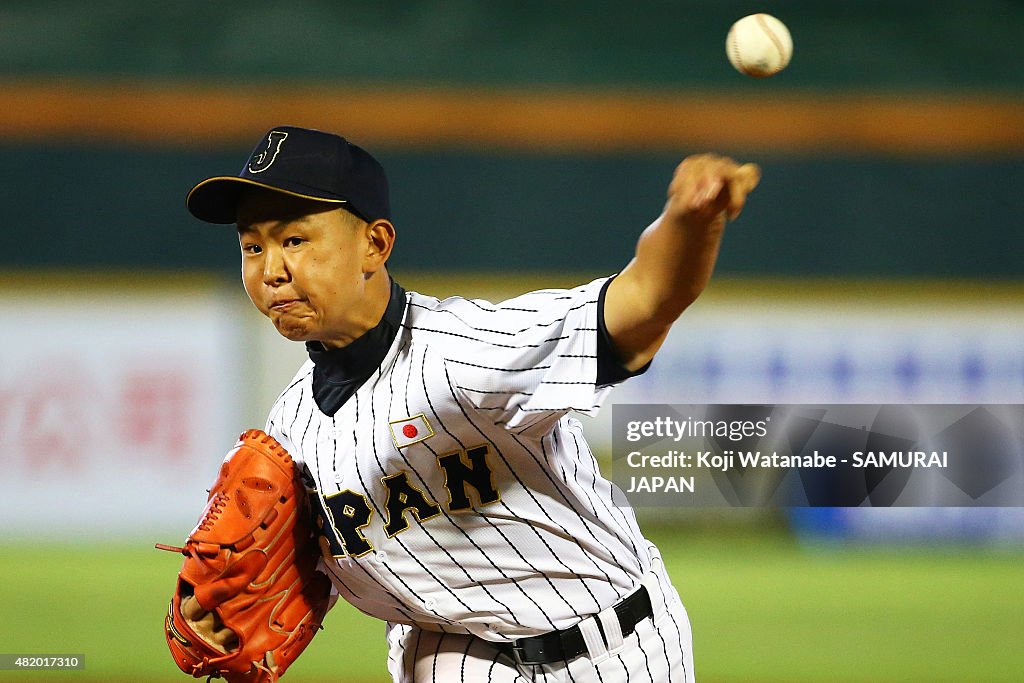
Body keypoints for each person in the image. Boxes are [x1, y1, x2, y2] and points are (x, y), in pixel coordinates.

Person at [183, 125, 759, 682]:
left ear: (374, 245)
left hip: (615, 646)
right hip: (451, 658)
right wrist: (217, 616)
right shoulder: (289, 434)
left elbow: (645, 300)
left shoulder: (468, 353)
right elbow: (289, 575)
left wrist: (691, 221)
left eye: (295, 240)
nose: (272, 271)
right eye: (252, 247)